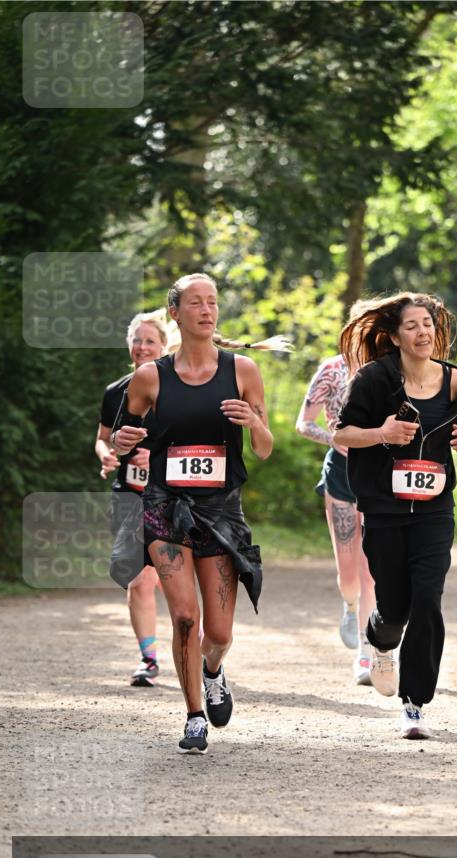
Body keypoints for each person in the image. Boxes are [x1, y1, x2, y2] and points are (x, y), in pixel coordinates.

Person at [111, 273, 273, 755]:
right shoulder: (149, 377)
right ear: (176, 313)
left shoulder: (241, 370)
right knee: (185, 617)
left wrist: (253, 423)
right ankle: (193, 714)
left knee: (218, 633)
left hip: (220, 510)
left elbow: (264, 450)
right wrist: (124, 444)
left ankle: (213, 671)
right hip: (165, 507)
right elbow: (123, 436)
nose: (207, 309)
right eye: (196, 303)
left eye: (213, 302)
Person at [333, 292, 457, 740]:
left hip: (435, 509)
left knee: (428, 600)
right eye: (412, 325)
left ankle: (414, 702)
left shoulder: (454, 381)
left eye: (428, 324)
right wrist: (382, 433)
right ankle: (379, 640)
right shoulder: (374, 380)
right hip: (385, 509)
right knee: (395, 606)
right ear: (395, 337)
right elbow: (343, 435)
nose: (423, 332)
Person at [95, 309, 170, 686]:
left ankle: (200, 643)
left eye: (150, 341)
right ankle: (149, 657)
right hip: (129, 497)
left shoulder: (182, 388)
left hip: (173, 498)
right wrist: (106, 453)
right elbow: (103, 435)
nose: (142, 347)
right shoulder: (115, 391)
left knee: (172, 579)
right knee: (140, 580)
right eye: (137, 340)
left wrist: (156, 455)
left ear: (164, 346)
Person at [296, 354, 376, 684]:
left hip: (378, 473)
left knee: (371, 567)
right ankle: (349, 604)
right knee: (349, 572)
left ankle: (366, 654)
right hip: (341, 472)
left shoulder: (390, 367)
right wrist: (338, 439)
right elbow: (304, 423)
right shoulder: (332, 370)